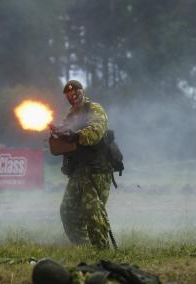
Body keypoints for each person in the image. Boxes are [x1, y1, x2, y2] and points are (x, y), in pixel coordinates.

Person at [55, 79, 113, 249]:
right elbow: (64, 139)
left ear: (82, 92)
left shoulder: (94, 109)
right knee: (67, 211)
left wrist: (76, 135)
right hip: (79, 170)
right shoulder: (70, 116)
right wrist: (57, 135)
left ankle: (102, 250)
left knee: (92, 211)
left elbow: (96, 132)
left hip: (97, 169)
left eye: (75, 93)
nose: (72, 96)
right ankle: (84, 247)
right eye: (69, 95)